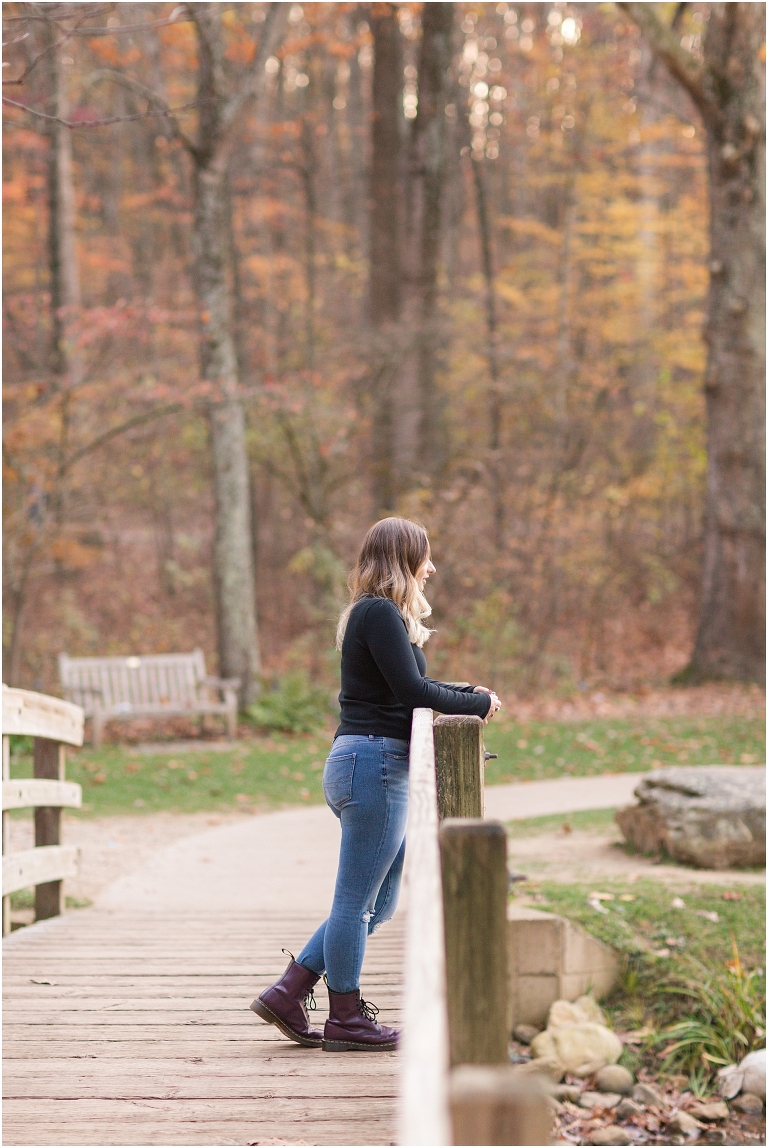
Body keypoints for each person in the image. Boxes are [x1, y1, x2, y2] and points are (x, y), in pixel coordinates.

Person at [250, 517, 501, 1052]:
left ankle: (291, 990)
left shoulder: (379, 616)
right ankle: (345, 1016)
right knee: (353, 902)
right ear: (403, 560)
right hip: (373, 765)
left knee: (378, 904)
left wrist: (464, 690)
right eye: (425, 557)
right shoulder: (378, 612)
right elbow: (412, 691)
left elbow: (407, 686)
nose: (431, 568)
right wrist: (477, 703)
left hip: (369, 763)